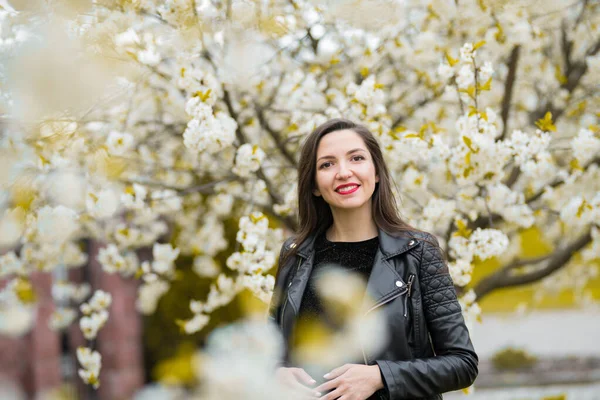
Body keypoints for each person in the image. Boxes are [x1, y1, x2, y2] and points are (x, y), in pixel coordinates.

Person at [268, 118, 478, 400]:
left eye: (356, 158)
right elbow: (270, 350)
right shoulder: (295, 254)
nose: (344, 172)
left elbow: (462, 363)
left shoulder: (418, 252)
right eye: (327, 164)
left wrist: (381, 376)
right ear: (315, 185)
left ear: (376, 172)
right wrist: (276, 371)